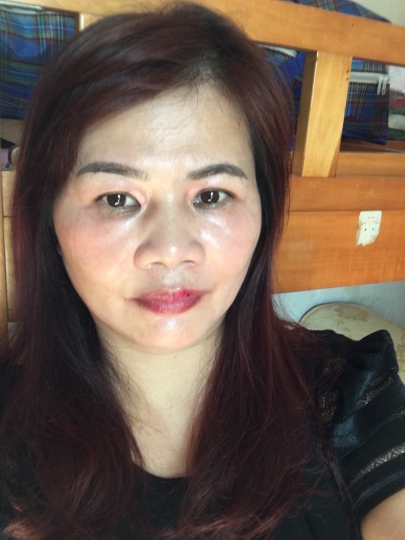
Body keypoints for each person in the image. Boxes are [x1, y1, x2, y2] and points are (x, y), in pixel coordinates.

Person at [0, 3, 404, 539]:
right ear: (48, 217)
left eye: (212, 195)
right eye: (117, 198)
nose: (171, 251)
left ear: (264, 209)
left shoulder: (350, 391)